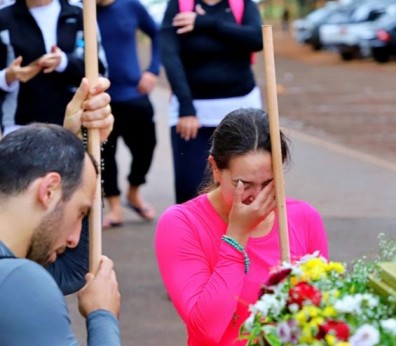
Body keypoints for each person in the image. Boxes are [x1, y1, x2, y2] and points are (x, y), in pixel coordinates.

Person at [154, 108, 329, 345]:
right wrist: (237, 236)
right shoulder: (182, 224)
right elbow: (206, 330)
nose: (257, 197)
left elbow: (322, 315)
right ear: (216, 169)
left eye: (268, 183)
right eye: (243, 184)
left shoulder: (305, 218)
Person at [0, 124, 121, 344]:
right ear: (48, 191)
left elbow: (71, 272)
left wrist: (79, 133)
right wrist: (103, 315)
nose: (74, 238)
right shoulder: (18, 281)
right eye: (80, 213)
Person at [159, 0, 264, 204]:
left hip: (240, 104)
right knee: (190, 187)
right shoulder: (180, 5)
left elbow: (257, 39)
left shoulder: (241, 4)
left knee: (243, 184)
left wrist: (205, 23)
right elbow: (170, 55)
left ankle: (237, 232)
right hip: (192, 110)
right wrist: (186, 107)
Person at [97, 0, 160, 228]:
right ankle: (114, 208)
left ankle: (134, 192)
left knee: (146, 148)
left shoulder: (130, 6)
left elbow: (158, 34)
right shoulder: (81, 12)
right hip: (100, 97)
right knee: (105, 154)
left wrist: (152, 70)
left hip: (135, 95)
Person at [0, 0, 105, 135]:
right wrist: (8, 76)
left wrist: (64, 62)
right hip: (19, 124)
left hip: (72, 123)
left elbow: (100, 69)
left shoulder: (79, 13)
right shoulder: (4, 17)